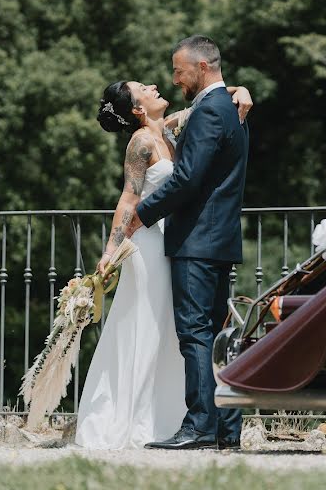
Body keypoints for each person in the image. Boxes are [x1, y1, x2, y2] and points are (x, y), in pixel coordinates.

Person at [74, 74, 251, 450]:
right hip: (149, 246)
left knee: (178, 331)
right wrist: (110, 251)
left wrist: (241, 90)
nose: (154, 86)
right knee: (148, 325)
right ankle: (134, 416)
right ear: (138, 108)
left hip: (178, 241)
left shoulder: (170, 127)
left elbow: (213, 99)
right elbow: (128, 198)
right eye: (144, 89)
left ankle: (170, 416)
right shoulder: (141, 141)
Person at [121, 35, 248, 450]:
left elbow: (188, 178)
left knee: (195, 333)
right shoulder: (227, 106)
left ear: (203, 68)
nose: (174, 79)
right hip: (219, 238)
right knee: (217, 337)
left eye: (179, 70)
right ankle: (227, 430)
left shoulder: (211, 110)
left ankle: (200, 426)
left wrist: (143, 213)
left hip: (197, 239)